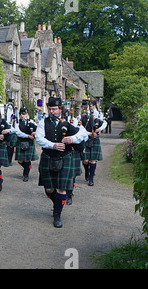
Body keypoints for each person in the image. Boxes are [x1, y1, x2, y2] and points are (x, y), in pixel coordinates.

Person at [35, 96, 87, 228]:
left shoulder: (71, 120)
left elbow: (83, 134)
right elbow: (39, 138)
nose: (52, 111)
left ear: (60, 109)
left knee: (61, 189)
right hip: (48, 156)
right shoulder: (43, 122)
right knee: (49, 189)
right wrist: (52, 145)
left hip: (65, 157)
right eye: (50, 109)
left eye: (55, 109)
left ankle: (57, 215)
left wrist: (72, 139)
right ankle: (57, 203)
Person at [78, 100, 107, 186]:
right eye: (85, 107)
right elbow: (79, 126)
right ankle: (87, 171)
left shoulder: (98, 114)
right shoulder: (82, 115)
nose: (86, 108)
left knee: (92, 160)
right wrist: (88, 133)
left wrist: (99, 129)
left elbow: (104, 123)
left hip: (94, 138)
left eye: (87, 106)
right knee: (85, 160)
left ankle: (91, 179)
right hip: (85, 137)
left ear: (93, 106)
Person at [15, 107, 38, 182]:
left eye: (24, 114)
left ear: (27, 114)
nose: (22, 115)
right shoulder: (17, 122)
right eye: (21, 114)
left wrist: (35, 133)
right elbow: (18, 132)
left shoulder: (31, 122)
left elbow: (38, 129)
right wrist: (28, 136)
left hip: (29, 142)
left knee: (27, 160)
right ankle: (28, 167)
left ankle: (26, 175)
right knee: (20, 161)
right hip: (21, 141)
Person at [5, 98, 18, 165]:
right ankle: (7, 160)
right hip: (6, 127)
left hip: (13, 129)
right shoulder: (5, 108)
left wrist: (15, 119)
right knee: (7, 146)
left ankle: (9, 160)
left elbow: (17, 120)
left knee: (11, 146)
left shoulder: (15, 110)